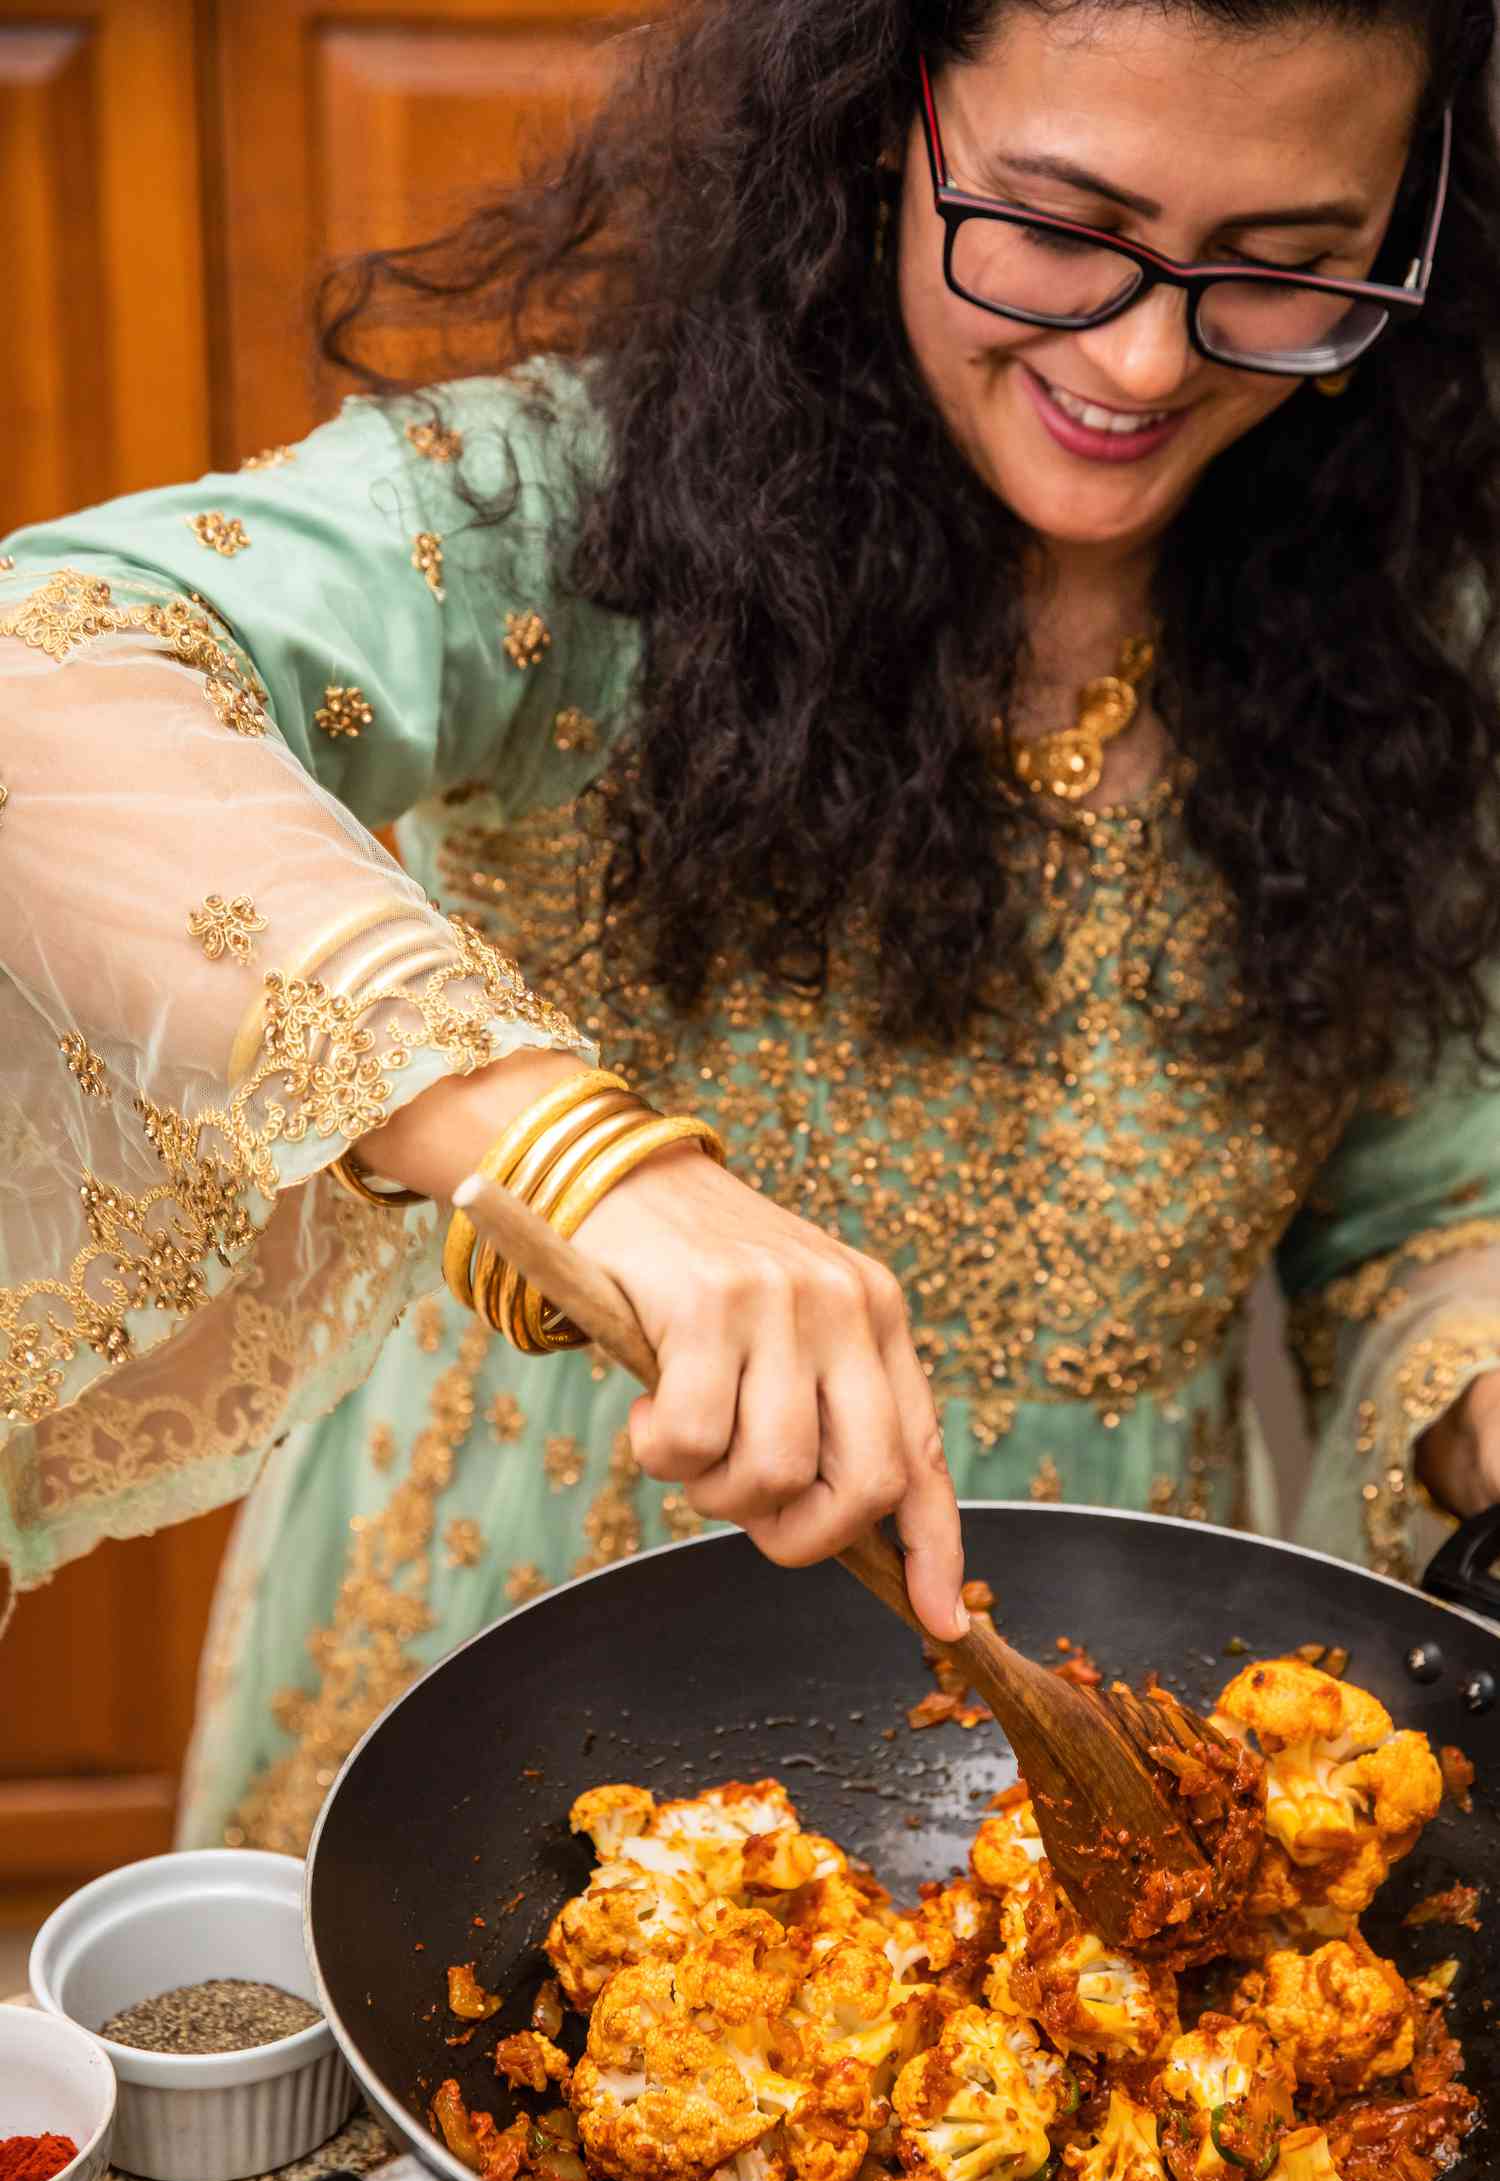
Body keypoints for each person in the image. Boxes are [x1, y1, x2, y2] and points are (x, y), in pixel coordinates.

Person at [3, 0, 1500, 1855]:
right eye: (1053, 225)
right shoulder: (569, 520)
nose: (1139, 353)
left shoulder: (1420, 629)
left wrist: (1480, 1383)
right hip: (506, 1656)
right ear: (890, 119)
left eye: (1284, 270)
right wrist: (570, 1147)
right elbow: (45, 679)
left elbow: (1429, 1204)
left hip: (1107, 1721)